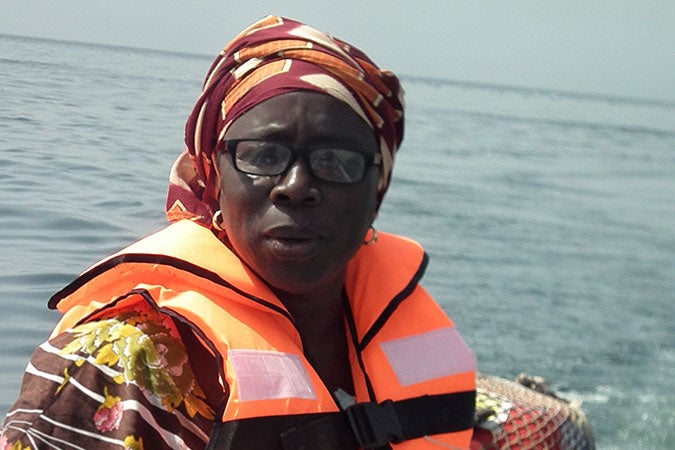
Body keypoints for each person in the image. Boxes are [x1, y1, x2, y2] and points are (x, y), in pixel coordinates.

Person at [0, 15, 476, 449]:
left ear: (377, 191)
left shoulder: (394, 332)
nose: (296, 187)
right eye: (263, 155)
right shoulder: (118, 361)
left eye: (336, 161)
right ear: (212, 176)